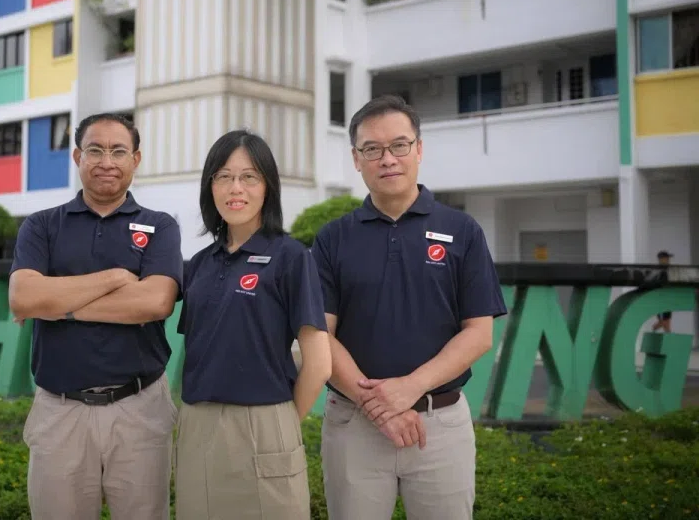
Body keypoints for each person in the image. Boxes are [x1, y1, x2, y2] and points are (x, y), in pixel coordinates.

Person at [311, 95, 507, 520]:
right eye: (372, 149)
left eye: (399, 145)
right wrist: (378, 406)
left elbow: (479, 333)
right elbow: (318, 335)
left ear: (419, 149)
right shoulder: (333, 239)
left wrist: (409, 387)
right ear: (356, 159)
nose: (388, 159)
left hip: (440, 425)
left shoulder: (462, 230)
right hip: (354, 428)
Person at [8, 113, 183, 520]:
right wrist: (116, 278)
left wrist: (58, 304)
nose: (107, 160)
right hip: (60, 410)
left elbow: (155, 303)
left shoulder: (160, 227)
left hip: (139, 407)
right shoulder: (41, 226)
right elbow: (22, 297)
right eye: (96, 150)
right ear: (77, 156)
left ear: (135, 159)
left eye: (119, 150)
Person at [174, 129, 332, 520]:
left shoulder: (292, 257)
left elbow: (319, 363)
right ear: (210, 187)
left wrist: (280, 423)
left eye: (249, 177)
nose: (235, 188)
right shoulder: (200, 265)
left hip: (266, 421)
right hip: (198, 424)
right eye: (223, 176)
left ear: (268, 187)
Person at [652, 250, 673, 333]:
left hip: (667, 299)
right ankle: (667, 337)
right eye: (666, 258)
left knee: (666, 322)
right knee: (664, 322)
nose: (668, 260)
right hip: (662, 299)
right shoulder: (659, 271)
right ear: (661, 259)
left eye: (668, 258)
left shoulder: (668, 269)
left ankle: (667, 336)